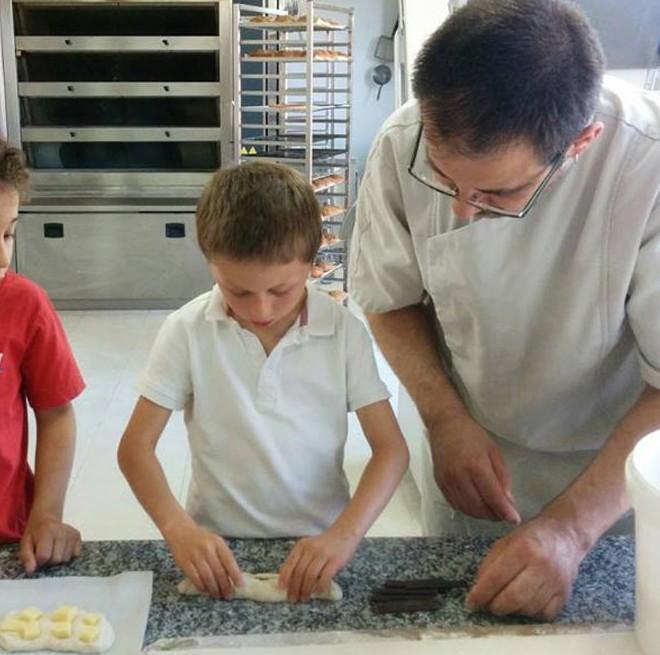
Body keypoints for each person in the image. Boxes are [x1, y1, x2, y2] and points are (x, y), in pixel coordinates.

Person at [349, 0, 660, 621]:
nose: (462, 210)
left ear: (581, 143)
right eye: (446, 179)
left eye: (496, 192)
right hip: (473, 457)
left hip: (613, 477)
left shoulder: (645, 167)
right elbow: (390, 299)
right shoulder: (402, 144)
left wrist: (571, 530)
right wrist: (442, 416)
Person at [118, 161, 409, 602]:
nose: (261, 311)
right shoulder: (187, 330)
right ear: (211, 264)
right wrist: (179, 529)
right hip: (217, 547)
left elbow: (391, 450)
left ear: (312, 264)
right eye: (237, 291)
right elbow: (135, 448)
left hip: (317, 543)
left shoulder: (343, 333)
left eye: (280, 290)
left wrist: (344, 536)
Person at [0, 140, 85, 573]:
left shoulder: (24, 305)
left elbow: (55, 415)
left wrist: (46, 516)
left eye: (8, 233)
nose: (2, 255)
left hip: (7, 535)